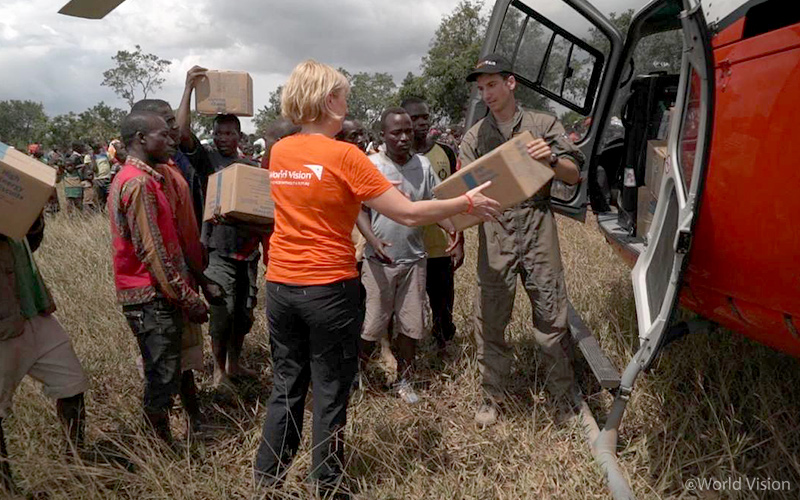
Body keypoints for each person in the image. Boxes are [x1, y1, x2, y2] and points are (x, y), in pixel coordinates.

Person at [252, 59, 500, 498]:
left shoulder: (282, 151)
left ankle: (267, 482)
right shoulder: (344, 155)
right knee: (330, 390)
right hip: (327, 288)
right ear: (329, 101)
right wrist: (463, 203)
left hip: (280, 287)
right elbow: (406, 211)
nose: (347, 104)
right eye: (344, 96)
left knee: (287, 386)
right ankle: (328, 486)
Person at [460, 54, 584, 427]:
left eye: (492, 85)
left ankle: (563, 400)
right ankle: (492, 397)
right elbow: (462, 187)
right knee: (492, 316)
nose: (487, 94)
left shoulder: (542, 124)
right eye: (481, 89)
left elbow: (573, 174)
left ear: (510, 83)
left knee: (550, 312)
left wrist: (549, 159)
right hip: (495, 226)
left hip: (536, 221)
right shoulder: (475, 136)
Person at [108, 110, 209, 445]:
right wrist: (188, 298)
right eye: (163, 136)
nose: (171, 141)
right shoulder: (138, 183)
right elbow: (153, 252)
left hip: (153, 296)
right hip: (150, 298)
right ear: (140, 139)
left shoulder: (144, 178)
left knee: (166, 371)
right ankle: (159, 448)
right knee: (162, 376)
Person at [359, 107, 456, 404]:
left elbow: (432, 204)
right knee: (372, 327)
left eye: (407, 132)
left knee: (411, 327)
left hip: (414, 259)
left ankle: (405, 380)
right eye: (395, 133)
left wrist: (454, 230)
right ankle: (356, 377)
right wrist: (372, 239)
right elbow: (359, 210)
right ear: (383, 136)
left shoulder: (423, 166)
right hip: (379, 262)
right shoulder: (371, 165)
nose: (403, 138)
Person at [177, 67, 264, 388]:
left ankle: (235, 365)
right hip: (218, 251)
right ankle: (218, 373)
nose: (222, 138)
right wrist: (188, 88)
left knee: (244, 315)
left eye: (229, 133)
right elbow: (182, 133)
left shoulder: (252, 168)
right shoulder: (206, 160)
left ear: (239, 137)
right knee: (222, 313)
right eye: (218, 133)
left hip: (248, 253)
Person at [0, 215, 89, 495]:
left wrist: (33, 219)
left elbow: (30, 244)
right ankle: (7, 485)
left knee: (72, 384)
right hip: (3, 325)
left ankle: (74, 463)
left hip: (34, 310)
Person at [401, 96, 463, 350]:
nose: (421, 122)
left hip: (440, 248)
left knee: (443, 305)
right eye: (414, 118)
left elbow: (455, 199)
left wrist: (459, 241)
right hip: (406, 248)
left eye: (425, 116)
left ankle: (444, 346)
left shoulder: (445, 153)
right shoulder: (394, 155)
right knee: (406, 307)